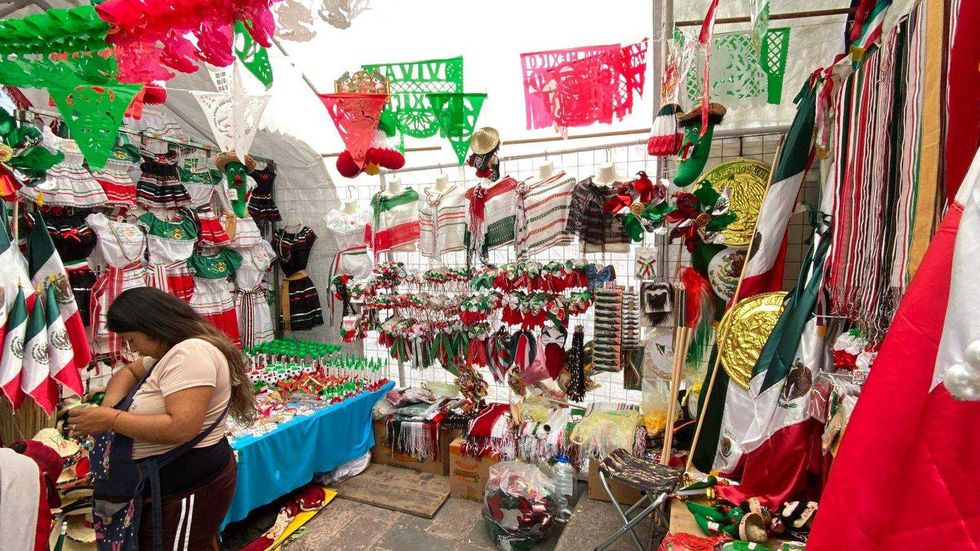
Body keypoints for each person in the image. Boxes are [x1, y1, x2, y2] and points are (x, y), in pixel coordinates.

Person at [69, 287, 255, 550]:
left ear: (154, 326)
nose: (132, 349)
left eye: (132, 340)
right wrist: (111, 403)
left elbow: (181, 427)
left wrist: (110, 419)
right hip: (168, 483)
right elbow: (129, 372)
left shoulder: (191, 354)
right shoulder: (169, 352)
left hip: (187, 483)